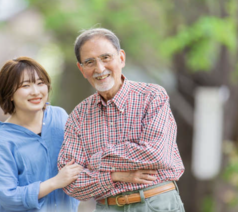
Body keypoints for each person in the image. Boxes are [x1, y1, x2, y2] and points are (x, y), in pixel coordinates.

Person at [57, 28, 185, 211]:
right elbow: (71, 183)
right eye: (90, 62)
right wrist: (115, 176)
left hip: (155, 203)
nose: (100, 69)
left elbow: (156, 154)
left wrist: (96, 160)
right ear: (82, 69)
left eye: (106, 58)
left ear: (121, 58)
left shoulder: (152, 96)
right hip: (106, 207)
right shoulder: (78, 116)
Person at [0, 57, 82, 212]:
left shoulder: (59, 117)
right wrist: (55, 182)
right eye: (26, 85)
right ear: (9, 94)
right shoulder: (2, 139)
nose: (36, 92)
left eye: (40, 83)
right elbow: (7, 196)